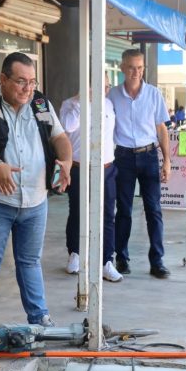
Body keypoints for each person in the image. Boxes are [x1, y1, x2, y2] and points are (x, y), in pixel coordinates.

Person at [0, 52, 72, 348]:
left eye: (32, 82)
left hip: (35, 200)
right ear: (4, 79)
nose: (27, 88)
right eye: (21, 81)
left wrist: (67, 161)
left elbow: (59, 137)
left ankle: (40, 318)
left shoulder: (40, 103)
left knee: (30, 261)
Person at [108, 49, 171, 279]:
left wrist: (166, 161)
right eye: (132, 67)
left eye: (140, 67)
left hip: (149, 156)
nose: (137, 72)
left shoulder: (154, 94)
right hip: (123, 157)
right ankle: (121, 259)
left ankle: (157, 261)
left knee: (153, 209)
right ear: (123, 68)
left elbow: (161, 129)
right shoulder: (112, 95)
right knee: (123, 210)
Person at [59, 75, 122, 282]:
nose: (103, 90)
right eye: (99, 85)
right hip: (80, 167)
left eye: (106, 86)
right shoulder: (69, 105)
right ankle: (75, 253)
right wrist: (81, 101)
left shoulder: (108, 104)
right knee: (78, 211)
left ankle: (106, 261)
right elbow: (67, 126)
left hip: (105, 167)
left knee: (107, 215)